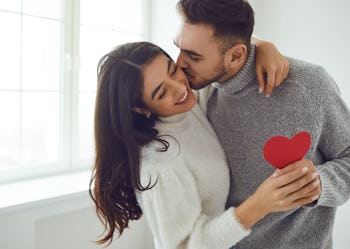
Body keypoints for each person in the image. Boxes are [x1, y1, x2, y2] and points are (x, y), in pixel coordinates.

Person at [89, 41, 321, 249]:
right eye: (162, 92)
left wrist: (264, 48)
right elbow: (184, 247)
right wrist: (259, 205)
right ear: (140, 109)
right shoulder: (161, 164)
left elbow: (221, 45)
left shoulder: (187, 107)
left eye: (173, 70)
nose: (180, 88)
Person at [174, 0, 350, 248]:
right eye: (178, 47)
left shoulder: (310, 85)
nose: (178, 63)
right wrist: (262, 43)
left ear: (236, 55)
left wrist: (318, 184)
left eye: (193, 56)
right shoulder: (197, 96)